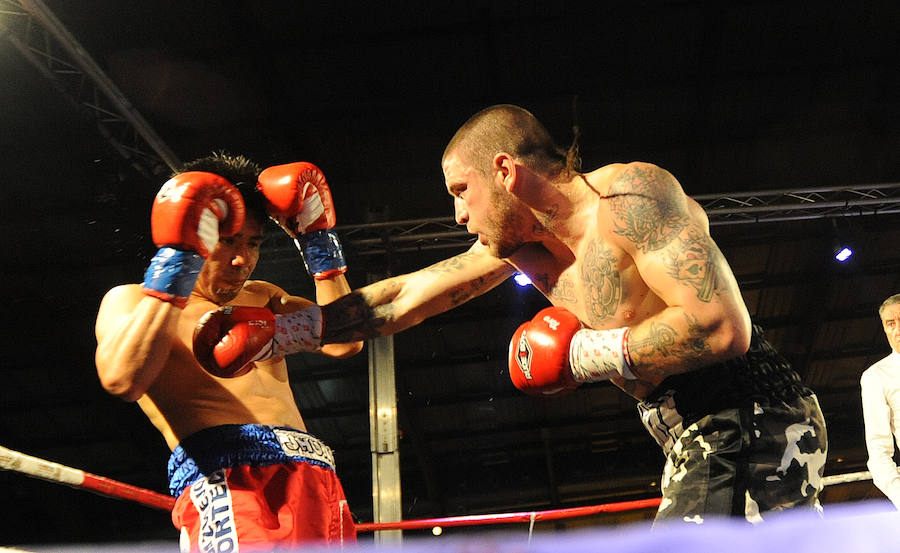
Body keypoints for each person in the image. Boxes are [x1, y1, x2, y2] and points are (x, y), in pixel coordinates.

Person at [195, 105, 828, 524]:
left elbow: (722, 327)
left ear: (505, 171)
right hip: (686, 428)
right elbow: (404, 297)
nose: (457, 215)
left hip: (748, 411)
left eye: (460, 192)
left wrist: (582, 355)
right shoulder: (523, 247)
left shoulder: (630, 197)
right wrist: (281, 335)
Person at [94, 153, 363, 550]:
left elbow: (346, 338)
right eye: (227, 242)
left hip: (314, 476)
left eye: (253, 243)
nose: (242, 260)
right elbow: (121, 379)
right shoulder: (134, 301)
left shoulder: (264, 295)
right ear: (196, 234)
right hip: (231, 479)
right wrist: (176, 266)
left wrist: (317, 242)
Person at [861, 293, 900, 510]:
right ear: (884, 328)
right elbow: (879, 452)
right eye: (890, 323)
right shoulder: (876, 376)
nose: (897, 330)